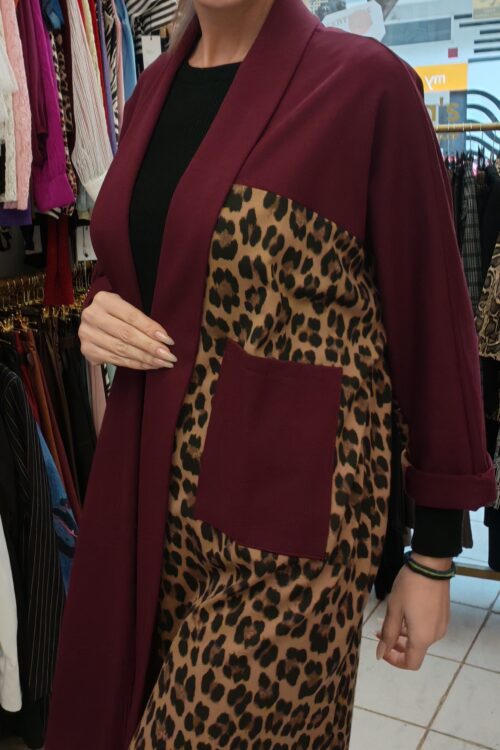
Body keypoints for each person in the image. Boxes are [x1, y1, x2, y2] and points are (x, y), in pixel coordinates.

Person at [45, 1, 497, 748]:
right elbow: (159, 260)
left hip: (286, 538)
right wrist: (99, 306)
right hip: (147, 502)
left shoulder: (364, 87)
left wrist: (435, 550)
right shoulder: (153, 89)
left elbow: (434, 322)